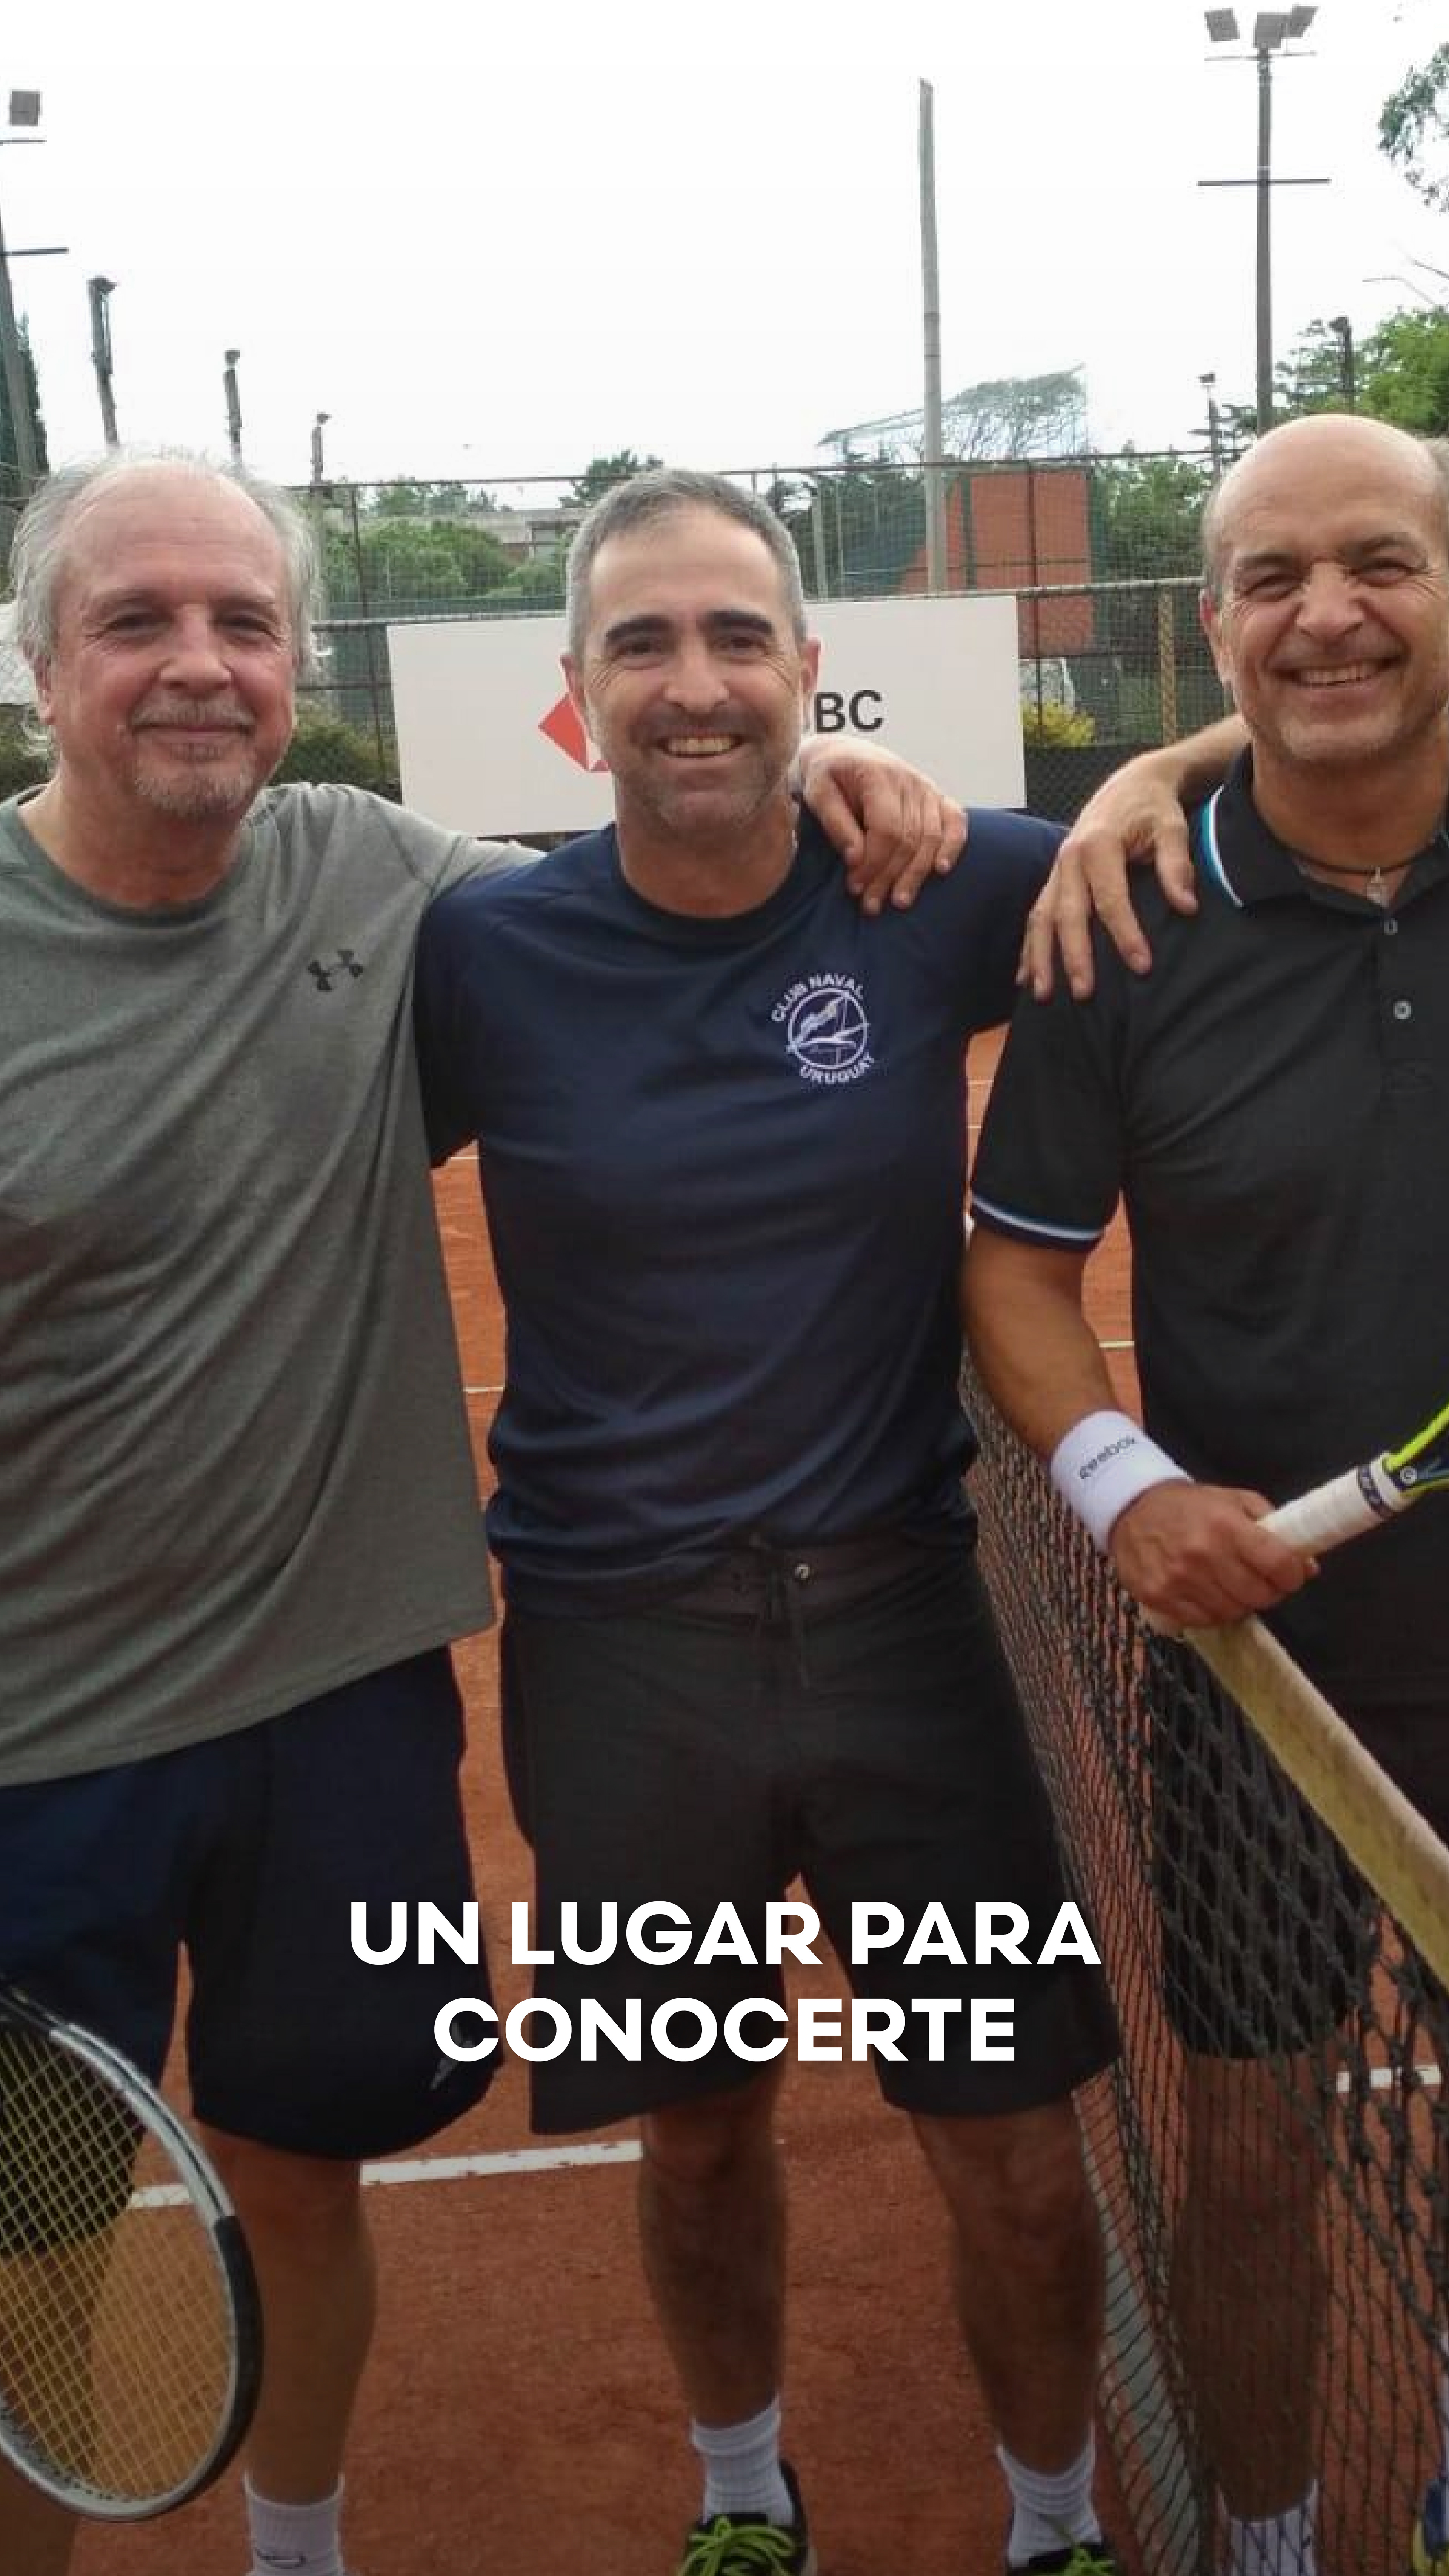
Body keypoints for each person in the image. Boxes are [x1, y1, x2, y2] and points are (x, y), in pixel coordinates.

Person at [0, 449, 965, 2576]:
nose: (198, 666)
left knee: (307, 2170)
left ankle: (303, 2555)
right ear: (41, 664)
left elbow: (653, 878)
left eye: (244, 624)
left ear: (295, 662)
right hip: (36, 1745)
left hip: (339, 1703)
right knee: (31, 2250)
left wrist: (825, 783)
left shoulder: (378, 879)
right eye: (137, 622)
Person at [414, 466, 1126, 2576]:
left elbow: (1195, 825)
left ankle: (1057, 2528)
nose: (695, 682)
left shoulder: (937, 892)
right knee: (704, 2138)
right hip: (621, 1652)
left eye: (739, 639)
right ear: (577, 697)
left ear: (812, 670)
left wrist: (1124, 765)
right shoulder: (486, 954)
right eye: (643, 643)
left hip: (904, 1626)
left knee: (1016, 2158)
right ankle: (743, 2501)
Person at [963, 412, 1449, 2576]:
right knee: (1248, 2162)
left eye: (1384, 563)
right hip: (1271, 1673)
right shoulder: (1126, 918)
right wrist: (1125, 1486)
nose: (1328, 615)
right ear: (1215, 622)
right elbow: (1016, 1274)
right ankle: (1262, 2544)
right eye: (1273, 578)